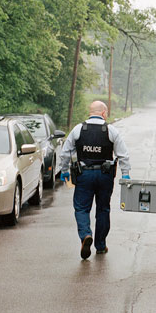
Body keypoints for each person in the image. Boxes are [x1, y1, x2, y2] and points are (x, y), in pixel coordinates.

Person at [60, 101, 130, 260]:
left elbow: (65, 152)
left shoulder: (78, 129)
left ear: (90, 112)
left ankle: (85, 235)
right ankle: (100, 245)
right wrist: (125, 173)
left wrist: (64, 170)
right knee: (103, 209)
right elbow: (123, 154)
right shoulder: (111, 130)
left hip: (84, 175)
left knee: (82, 208)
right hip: (105, 176)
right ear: (104, 113)